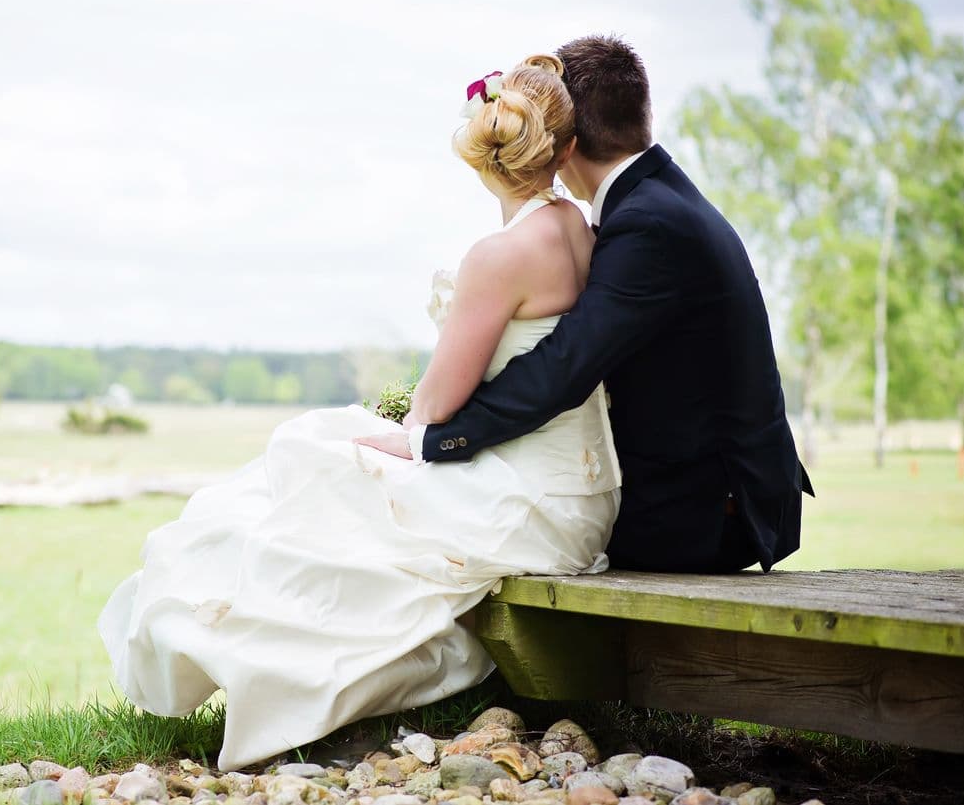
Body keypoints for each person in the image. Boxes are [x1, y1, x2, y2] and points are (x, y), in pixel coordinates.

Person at [99, 53, 622, 770]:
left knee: (313, 456)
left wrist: (404, 437)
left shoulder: (500, 255)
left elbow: (438, 402)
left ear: (482, 153)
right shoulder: (582, 230)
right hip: (586, 492)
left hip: (529, 498)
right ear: (565, 150)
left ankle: (275, 681)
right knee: (333, 452)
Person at [361, 35, 813, 573]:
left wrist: (432, 442)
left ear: (565, 137)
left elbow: (563, 368)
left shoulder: (649, 225)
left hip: (706, 515)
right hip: (697, 487)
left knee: (389, 517)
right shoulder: (651, 202)